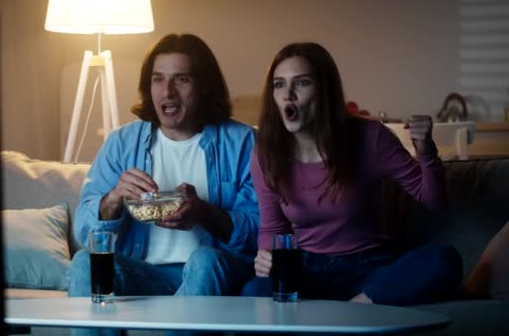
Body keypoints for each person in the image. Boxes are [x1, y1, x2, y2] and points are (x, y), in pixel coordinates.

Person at [241, 42, 463, 306]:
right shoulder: (266, 152)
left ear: (325, 91)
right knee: (254, 292)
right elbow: (273, 228)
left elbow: (434, 201)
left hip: (369, 268)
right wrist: (266, 256)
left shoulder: (371, 138)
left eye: (301, 83)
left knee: (443, 260)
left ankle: (355, 308)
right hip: (306, 269)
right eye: (279, 84)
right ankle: (346, 317)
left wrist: (425, 150)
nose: (288, 95)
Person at [67, 33, 259, 331]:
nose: (167, 91)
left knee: (205, 260)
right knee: (85, 261)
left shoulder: (243, 142)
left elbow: (262, 229)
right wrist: (114, 198)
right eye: (158, 79)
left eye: (181, 79)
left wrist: (205, 213)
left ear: (204, 86)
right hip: (143, 275)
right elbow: (84, 230)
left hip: (213, 276)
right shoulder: (122, 143)